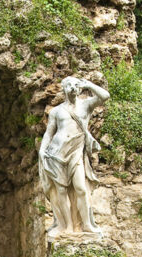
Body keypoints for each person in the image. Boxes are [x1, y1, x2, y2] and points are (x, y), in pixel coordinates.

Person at [39, 76, 110, 237]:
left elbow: (105, 96)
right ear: (63, 89)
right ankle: (67, 226)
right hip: (56, 153)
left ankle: (86, 224)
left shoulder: (85, 106)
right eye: (68, 85)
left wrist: (89, 84)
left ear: (79, 89)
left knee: (81, 188)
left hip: (76, 151)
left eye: (75, 85)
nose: (72, 88)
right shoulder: (56, 111)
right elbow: (49, 134)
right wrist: (42, 151)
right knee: (61, 191)